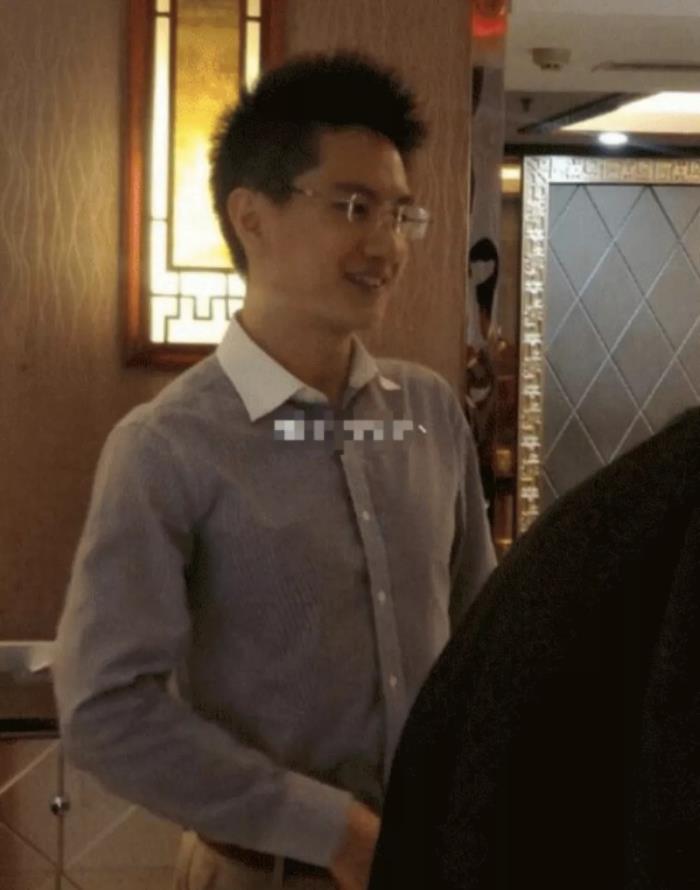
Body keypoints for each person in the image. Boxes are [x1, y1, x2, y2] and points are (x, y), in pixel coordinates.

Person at [53, 51, 495, 890]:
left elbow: (485, 642)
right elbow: (105, 710)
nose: (386, 245)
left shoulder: (430, 414)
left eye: (401, 214)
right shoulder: (167, 446)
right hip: (263, 874)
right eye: (354, 207)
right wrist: (336, 832)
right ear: (251, 216)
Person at [369, 408, 700, 889]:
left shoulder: (427, 412)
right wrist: (332, 827)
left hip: (417, 813)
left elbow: (470, 598)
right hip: (297, 852)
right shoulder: (603, 536)